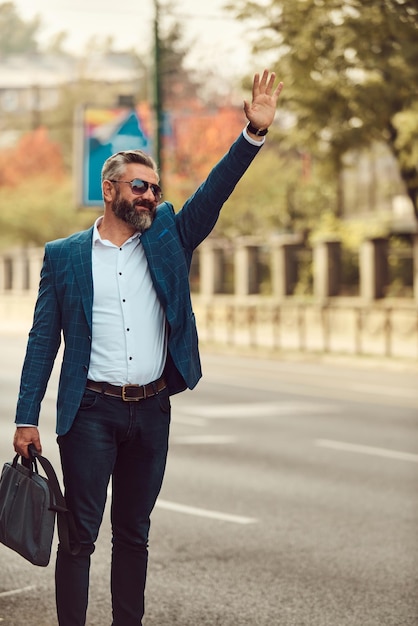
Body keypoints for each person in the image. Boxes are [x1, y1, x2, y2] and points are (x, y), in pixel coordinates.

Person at [13, 69, 283, 626]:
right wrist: (25, 417)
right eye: (141, 186)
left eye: (156, 188)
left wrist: (251, 134)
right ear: (110, 189)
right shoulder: (64, 256)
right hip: (88, 410)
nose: (151, 195)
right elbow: (44, 339)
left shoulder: (168, 237)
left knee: (134, 535)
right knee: (80, 537)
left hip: (151, 408)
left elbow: (214, 191)